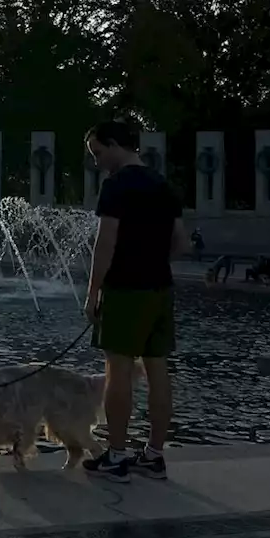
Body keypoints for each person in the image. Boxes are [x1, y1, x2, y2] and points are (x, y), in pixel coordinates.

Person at [82, 121, 184, 483]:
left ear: (114, 144)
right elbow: (181, 242)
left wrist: (93, 292)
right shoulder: (162, 184)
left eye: (97, 152)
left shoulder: (117, 186)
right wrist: (155, 261)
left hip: (124, 290)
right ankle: (154, 456)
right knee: (158, 371)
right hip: (160, 289)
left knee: (118, 371)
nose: (97, 161)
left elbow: (105, 243)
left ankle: (117, 455)